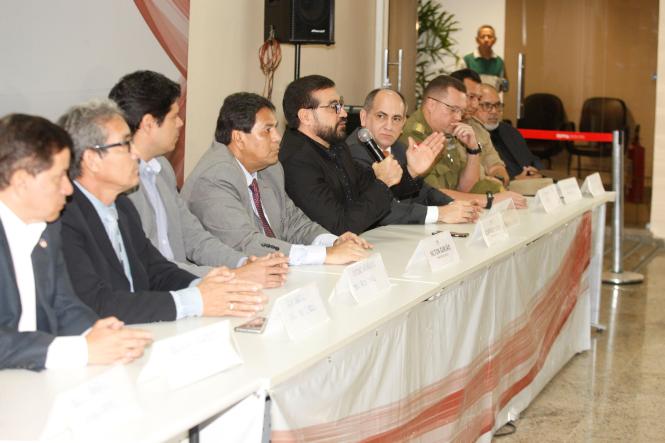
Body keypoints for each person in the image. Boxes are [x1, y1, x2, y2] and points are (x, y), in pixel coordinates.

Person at [58, 100, 266, 324]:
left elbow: (155, 268)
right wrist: (195, 300)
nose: (136, 154)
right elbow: (97, 303)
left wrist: (202, 286)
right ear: (92, 159)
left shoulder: (122, 206)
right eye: (125, 145)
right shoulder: (63, 218)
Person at [0, 113, 151, 370]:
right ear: (21, 181)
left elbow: (64, 304)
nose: (68, 190)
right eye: (57, 177)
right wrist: (80, 349)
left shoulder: (47, 227)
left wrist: (97, 332)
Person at [109, 70, 288, 287]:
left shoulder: (162, 168)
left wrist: (242, 263)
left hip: (185, 285)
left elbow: (195, 237)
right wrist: (230, 276)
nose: (180, 124)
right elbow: (150, 266)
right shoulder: (118, 182)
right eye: (174, 117)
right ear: (148, 123)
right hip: (158, 294)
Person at [181, 92, 370, 265]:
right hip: (225, 281)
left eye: (276, 129)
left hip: (272, 273)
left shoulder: (270, 168)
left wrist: (333, 241)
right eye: (267, 130)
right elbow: (245, 244)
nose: (278, 137)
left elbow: (293, 222)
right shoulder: (214, 178)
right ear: (238, 138)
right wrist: (325, 255)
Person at [279, 75, 480, 234]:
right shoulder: (297, 160)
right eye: (334, 107)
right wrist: (383, 183)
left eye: (340, 105)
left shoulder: (335, 146)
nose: (344, 113)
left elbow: (371, 185)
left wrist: (411, 171)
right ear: (305, 116)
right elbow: (339, 226)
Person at [347, 88, 480, 224]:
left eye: (396, 119)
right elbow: (378, 209)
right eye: (381, 116)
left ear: (403, 124)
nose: (389, 126)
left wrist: (455, 206)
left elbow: (424, 191)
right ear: (363, 117)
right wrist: (440, 213)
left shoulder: (400, 149)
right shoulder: (351, 153)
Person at [401, 75, 525, 209]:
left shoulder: (446, 130)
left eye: (461, 111)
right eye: (453, 109)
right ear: (431, 104)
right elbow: (431, 195)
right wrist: (489, 200)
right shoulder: (412, 136)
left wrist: (473, 150)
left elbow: (465, 188)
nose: (458, 117)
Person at [449, 68, 511, 187]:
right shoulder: (441, 128)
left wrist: (499, 179)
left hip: (487, 194)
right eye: (471, 97)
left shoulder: (477, 128)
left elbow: (495, 165)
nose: (476, 105)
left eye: (478, 98)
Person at [475, 84, 544, 180]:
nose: (494, 111)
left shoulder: (509, 131)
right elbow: (480, 179)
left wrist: (535, 169)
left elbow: (531, 158)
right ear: (473, 106)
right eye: (487, 106)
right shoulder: (470, 137)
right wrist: (515, 180)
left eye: (498, 105)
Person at [461, 25, 506, 91]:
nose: (486, 39)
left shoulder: (499, 62)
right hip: (473, 100)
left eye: (489, 37)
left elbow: (503, 86)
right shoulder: (467, 60)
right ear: (477, 40)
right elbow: (460, 85)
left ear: (495, 40)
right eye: (482, 37)